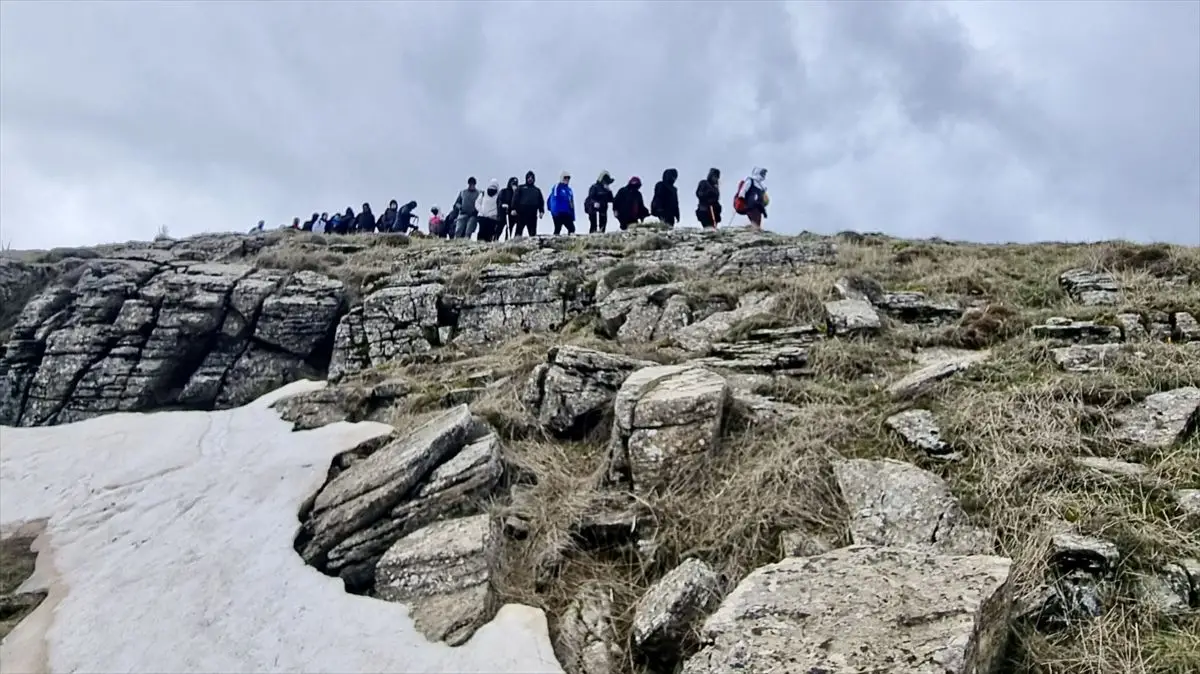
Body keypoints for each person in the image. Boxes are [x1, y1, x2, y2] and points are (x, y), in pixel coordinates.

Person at [511, 170, 545, 237]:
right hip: (521, 213)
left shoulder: (537, 190)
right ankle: (515, 245)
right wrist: (513, 208)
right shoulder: (521, 188)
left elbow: (541, 201)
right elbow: (515, 198)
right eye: (528, 177)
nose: (530, 179)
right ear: (526, 178)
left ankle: (533, 245)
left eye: (532, 178)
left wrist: (541, 211)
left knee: (532, 233)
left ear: (534, 179)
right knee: (518, 232)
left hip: (532, 214)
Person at [547, 171, 576, 236]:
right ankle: (553, 242)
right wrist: (554, 212)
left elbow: (571, 204)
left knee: (572, 228)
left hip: (567, 213)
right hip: (558, 213)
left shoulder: (569, 190)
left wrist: (573, 216)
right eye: (565, 178)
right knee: (558, 228)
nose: (567, 179)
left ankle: (570, 243)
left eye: (568, 178)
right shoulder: (557, 187)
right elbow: (553, 199)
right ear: (562, 178)